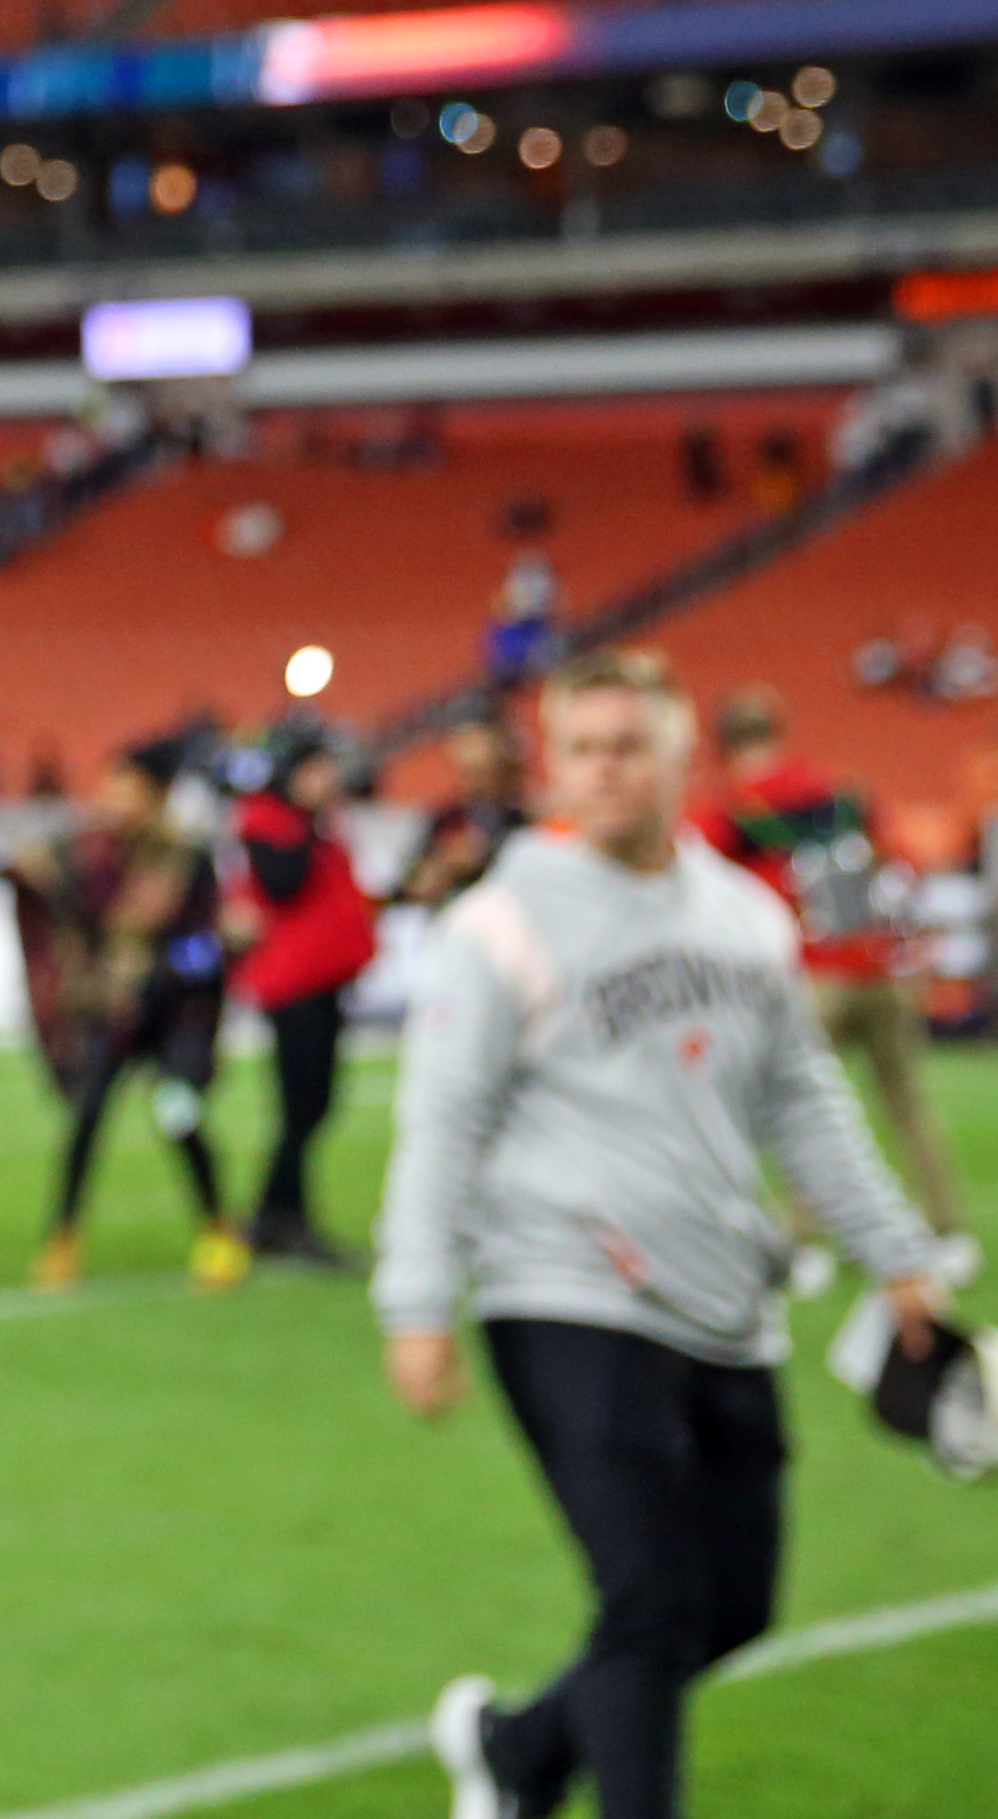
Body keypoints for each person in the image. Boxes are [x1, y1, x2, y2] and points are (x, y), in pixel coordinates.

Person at [381, 650, 959, 1819]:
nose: (602, 770)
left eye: (627, 744)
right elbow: (441, 1118)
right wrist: (416, 1301)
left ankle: (520, 1753)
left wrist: (896, 1250)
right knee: (647, 1597)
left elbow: (801, 1100)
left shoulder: (743, 915)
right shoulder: (499, 921)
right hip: (562, 1293)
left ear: (678, 753)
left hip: (720, 1298)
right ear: (554, 758)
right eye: (581, 746)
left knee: (734, 1602)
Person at [699, 686, 971, 1265]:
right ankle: (948, 1230)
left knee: (799, 1108)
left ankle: (803, 1241)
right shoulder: (838, 787)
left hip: (810, 978)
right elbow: (896, 858)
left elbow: (699, 885)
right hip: (878, 967)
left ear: (724, 744)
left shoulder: (734, 807)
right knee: (908, 1105)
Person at [22, 738, 248, 1293]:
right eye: (109, 787)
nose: (114, 800)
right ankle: (63, 1237)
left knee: (180, 1116)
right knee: (87, 1117)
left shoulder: (186, 860)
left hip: (174, 1017)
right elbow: (64, 915)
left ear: (156, 797)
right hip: (113, 1017)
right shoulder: (88, 855)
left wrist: (161, 969)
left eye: (128, 790)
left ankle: (218, 1230)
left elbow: (205, 942)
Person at [227, 731, 376, 1268]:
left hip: (321, 981)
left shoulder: (310, 825)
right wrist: (310, 828)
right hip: (294, 984)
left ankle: (273, 1214)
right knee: (302, 1105)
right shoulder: (272, 825)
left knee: (313, 1105)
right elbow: (283, 884)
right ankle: (284, 1218)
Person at [400, 716, 528, 911]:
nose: (475, 783)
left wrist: (485, 857)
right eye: (467, 773)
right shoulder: (445, 820)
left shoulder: (525, 817)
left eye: (483, 771)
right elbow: (409, 886)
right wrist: (440, 868)